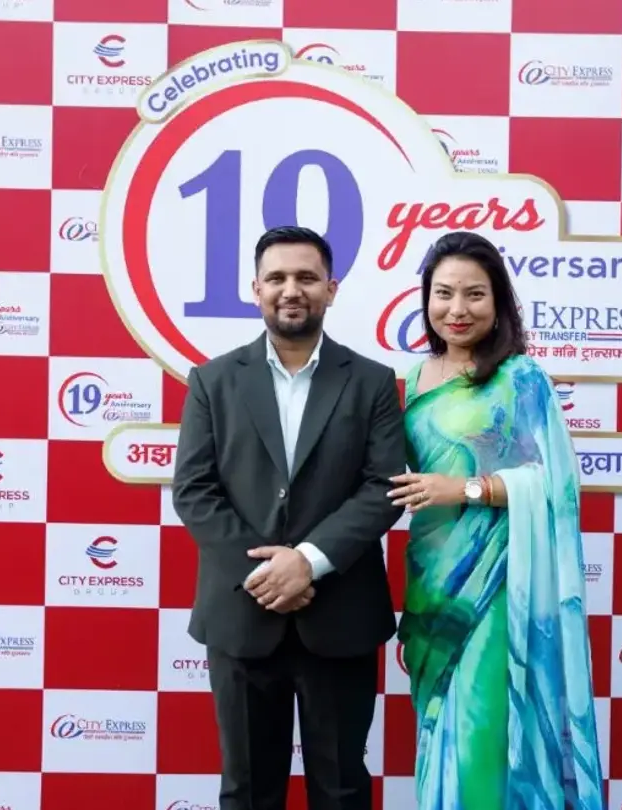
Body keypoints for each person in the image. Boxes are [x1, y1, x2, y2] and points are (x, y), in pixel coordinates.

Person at [172, 225, 406, 810]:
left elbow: (383, 487)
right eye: (276, 278)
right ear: (255, 289)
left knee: (342, 789)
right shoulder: (212, 381)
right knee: (248, 792)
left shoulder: (373, 381)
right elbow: (195, 491)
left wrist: (307, 561)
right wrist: (268, 573)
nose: (291, 290)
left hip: (341, 616)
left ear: (331, 288)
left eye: (306, 277)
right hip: (242, 616)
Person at [386, 231, 604, 810]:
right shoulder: (411, 379)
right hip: (432, 583)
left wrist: (465, 489)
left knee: (480, 735)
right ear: (426, 299)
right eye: (444, 293)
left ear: (498, 300)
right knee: (439, 733)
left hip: (500, 584)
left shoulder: (521, 377)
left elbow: (555, 484)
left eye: (474, 294)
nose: (457, 309)